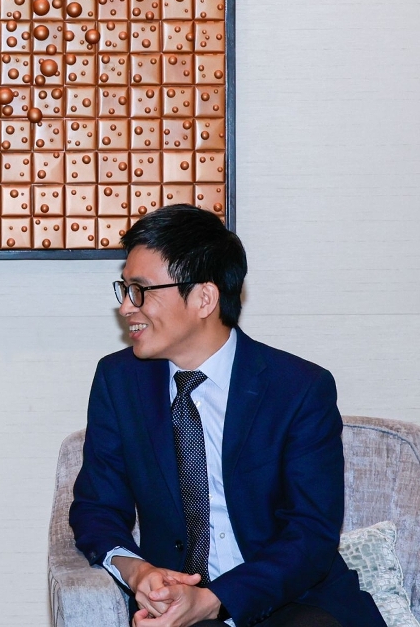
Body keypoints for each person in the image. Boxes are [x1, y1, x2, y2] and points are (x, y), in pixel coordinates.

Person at [69, 205, 384, 627]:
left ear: (204, 298)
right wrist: (137, 571)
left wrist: (217, 599)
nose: (127, 307)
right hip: (174, 602)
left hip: (291, 601)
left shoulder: (298, 388)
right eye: (124, 289)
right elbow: (96, 507)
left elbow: (311, 533)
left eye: (141, 290)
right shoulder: (119, 381)